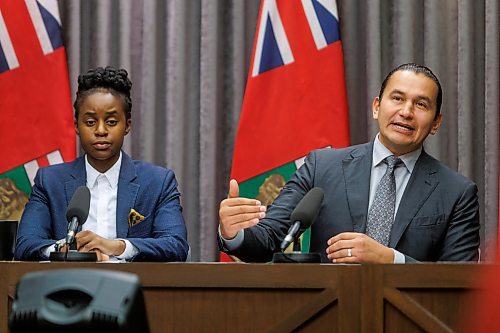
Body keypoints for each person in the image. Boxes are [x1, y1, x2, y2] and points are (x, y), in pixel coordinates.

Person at [219, 63, 480, 263]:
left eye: (420, 104)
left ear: (436, 122)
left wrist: (391, 260)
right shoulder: (322, 166)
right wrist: (234, 234)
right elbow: (271, 237)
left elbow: (459, 282)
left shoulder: (457, 193)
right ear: (377, 107)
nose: (406, 112)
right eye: (397, 99)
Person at [15, 66, 188, 262]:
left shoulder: (158, 182)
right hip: (69, 288)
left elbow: (176, 244)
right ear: (76, 126)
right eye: (90, 122)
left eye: (112, 122)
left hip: (133, 288)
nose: (100, 130)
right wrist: (64, 248)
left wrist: (117, 246)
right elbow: (25, 245)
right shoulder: (50, 181)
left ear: (127, 125)